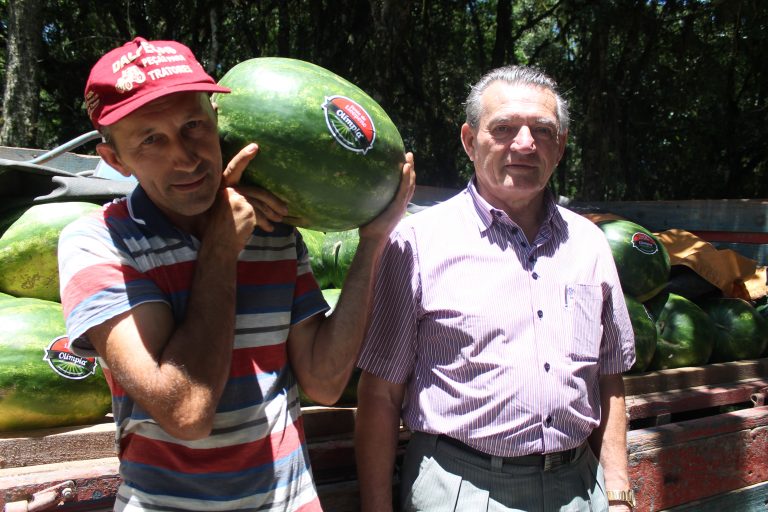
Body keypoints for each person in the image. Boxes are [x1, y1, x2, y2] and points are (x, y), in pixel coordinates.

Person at [58, 37, 414, 511]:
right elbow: (186, 411)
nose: (185, 156)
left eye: (193, 126)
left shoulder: (274, 233)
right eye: (151, 139)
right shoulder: (98, 242)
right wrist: (221, 246)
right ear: (115, 160)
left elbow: (325, 382)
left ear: (217, 120)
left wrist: (372, 242)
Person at [355, 65, 636, 512]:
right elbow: (380, 394)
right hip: (462, 490)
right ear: (470, 141)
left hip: (581, 489)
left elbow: (609, 380)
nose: (524, 144)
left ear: (560, 147)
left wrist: (619, 495)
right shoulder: (416, 243)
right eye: (504, 127)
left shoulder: (590, 244)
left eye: (542, 131)